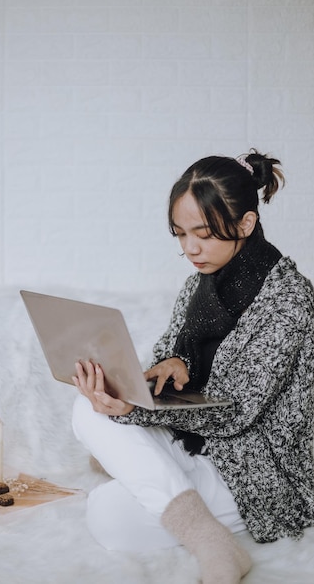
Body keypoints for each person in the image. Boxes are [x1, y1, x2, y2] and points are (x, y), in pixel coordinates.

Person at [71, 150, 314, 584]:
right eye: (180, 234)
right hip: (197, 440)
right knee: (83, 407)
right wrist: (161, 369)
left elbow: (236, 411)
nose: (190, 248)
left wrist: (134, 414)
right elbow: (170, 356)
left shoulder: (290, 301)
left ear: (246, 224)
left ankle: (206, 535)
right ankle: (191, 517)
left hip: (257, 467)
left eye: (203, 233)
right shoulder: (198, 283)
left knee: (108, 513)